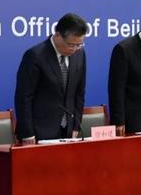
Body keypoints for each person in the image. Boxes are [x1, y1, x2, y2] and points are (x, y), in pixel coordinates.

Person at [14, 13, 88, 142]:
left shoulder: (80, 54)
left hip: (68, 131)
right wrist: (27, 133)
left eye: (79, 44)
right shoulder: (35, 56)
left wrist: (76, 125)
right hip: (38, 132)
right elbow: (23, 97)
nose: (74, 49)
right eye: (71, 45)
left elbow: (79, 93)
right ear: (57, 35)